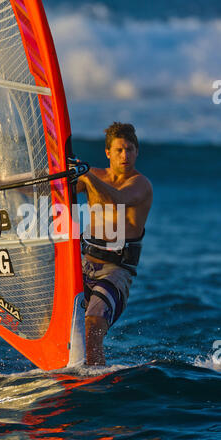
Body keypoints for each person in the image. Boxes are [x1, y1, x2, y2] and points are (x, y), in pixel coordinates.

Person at [77, 122, 153, 366]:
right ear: (108, 152)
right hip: (83, 264)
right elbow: (52, 188)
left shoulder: (140, 184)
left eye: (130, 149)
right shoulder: (94, 176)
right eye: (119, 150)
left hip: (116, 271)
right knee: (57, 322)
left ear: (137, 151)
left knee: (93, 325)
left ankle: (94, 381)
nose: (125, 155)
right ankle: (61, 372)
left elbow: (118, 198)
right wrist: (5, 184)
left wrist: (86, 174)